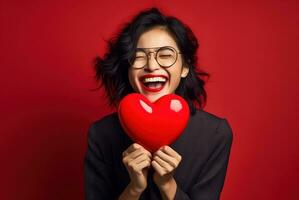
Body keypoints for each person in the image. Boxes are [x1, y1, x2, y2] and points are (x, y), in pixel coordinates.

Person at [84, 7, 233, 200]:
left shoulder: (215, 133)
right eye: (138, 57)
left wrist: (168, 185)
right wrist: (134, 189)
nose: (152, 66)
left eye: (165, 55)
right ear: (127, 69)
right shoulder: (101, 134)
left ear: (185, 67)